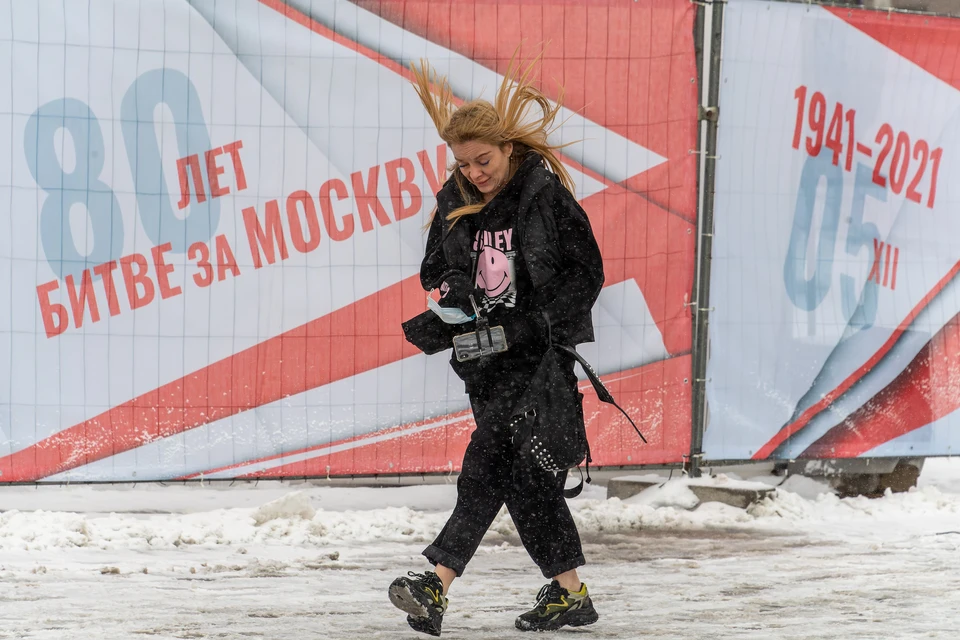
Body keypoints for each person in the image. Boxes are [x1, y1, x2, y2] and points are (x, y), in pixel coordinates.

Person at [390, 51, 605, 636]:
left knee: (486, 463)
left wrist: (535, 324)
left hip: (537, 363)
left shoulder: (544, 196)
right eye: (464, 163)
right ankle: (572, 596)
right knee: (525, 484)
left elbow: (588, 274)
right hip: (482, 362)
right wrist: (451, 287)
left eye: (483, 160)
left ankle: (435, 583)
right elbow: (434, 265)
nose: (474, 172)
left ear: (508, 148)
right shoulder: (454, 197)